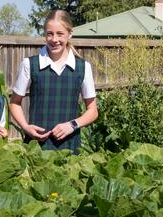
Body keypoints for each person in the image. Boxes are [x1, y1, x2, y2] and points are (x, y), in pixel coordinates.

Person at [9, 10, 98, 154]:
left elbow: (93, 111)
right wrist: (26, 127)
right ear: (44, 34)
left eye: (60, 34)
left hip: (70, 148)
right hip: (37, 148)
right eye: (50, 34)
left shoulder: (83, 67)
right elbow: (14, 103)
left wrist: (73, 125)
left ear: (70, 34)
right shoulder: (30, 64)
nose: (54, 39)